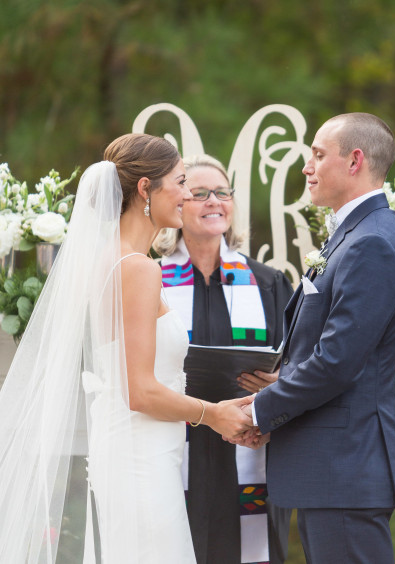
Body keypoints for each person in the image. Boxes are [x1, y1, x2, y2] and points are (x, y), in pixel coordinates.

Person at [0, 133, 253, 564]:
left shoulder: (109, 260)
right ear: (145, 190)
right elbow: (140, 391)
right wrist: (214, 414)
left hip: (137, 451)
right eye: (180, 182)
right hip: (141, 459)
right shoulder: (137, 269)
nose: (188, 194)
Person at [240, 113, 395, 564]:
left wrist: (263, 411)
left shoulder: (371, 242)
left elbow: (337, 360)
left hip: (346, 468)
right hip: (335, 469)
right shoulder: (354, 234)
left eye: (318, 155)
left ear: (355, 160)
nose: (307, 167)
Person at [154, 153, 293, 564]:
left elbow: (296, 362)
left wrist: (279, 382)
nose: (214, 201)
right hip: (176, 435)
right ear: (178, 205)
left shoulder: (268, 283)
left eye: (222, 192)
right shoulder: (152, 279)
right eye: (199, 193)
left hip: (249, 437)